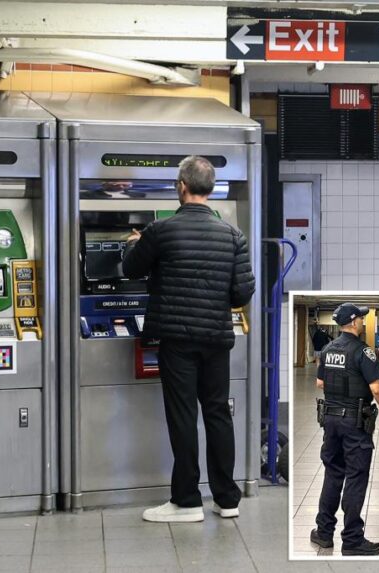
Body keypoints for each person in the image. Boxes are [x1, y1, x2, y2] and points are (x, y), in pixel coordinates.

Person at [123, 156, 255, 523]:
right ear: (210, 189)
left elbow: (130, 269)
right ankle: (227, 499)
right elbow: (242, 293)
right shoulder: (233, 235)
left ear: (181, 186)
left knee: (183, 416)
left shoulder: (161, 230)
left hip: (177, 339)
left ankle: (186, 501)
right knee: (218, 414)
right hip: (216, 337)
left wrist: (133, 244)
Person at [310, 303, 379, 556]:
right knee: (356, 477)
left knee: (333, 473)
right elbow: (376, 388)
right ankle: (353, 539)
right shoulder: (362, 352)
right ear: (355, 322)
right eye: (362, 319)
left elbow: (320, 382)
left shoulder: (327, 349)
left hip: (331, 422)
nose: (363, 323)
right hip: (354, 423)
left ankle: (324, 533)